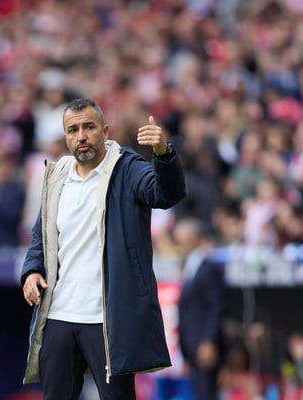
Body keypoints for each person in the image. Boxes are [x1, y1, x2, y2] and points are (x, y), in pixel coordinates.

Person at [21, 98, 186, 399]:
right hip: (58, 314)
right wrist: (32, 271)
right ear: (66, 136)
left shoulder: (127, 168)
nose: (81, 136)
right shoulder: (58, 176)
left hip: (107, 320)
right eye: (73, 130)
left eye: (89, 127)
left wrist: (163, 153)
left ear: (105, 131)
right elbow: (41, 235)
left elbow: (166, 194)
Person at [175, 218, 226, 400]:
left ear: (194, 239)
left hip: (203, 345)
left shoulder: (207, 269)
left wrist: (209, 341)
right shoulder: (188, 268)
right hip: (191, 346)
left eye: (183, 240)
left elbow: (216, 307)